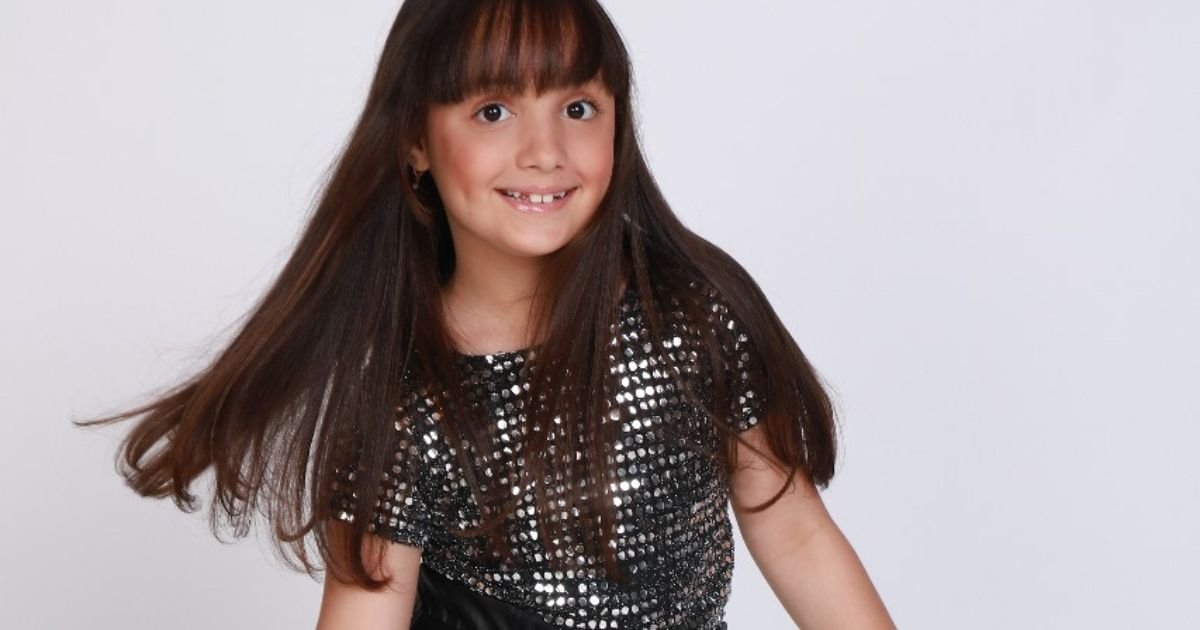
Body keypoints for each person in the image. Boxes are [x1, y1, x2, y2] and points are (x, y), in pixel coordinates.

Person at [76, 1, 895, 628]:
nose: (544, 152)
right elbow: (367, 609)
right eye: (493, 111)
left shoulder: (694, 312)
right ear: (416, 143)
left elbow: (794, 530)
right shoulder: (404, 400)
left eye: (578, 108)